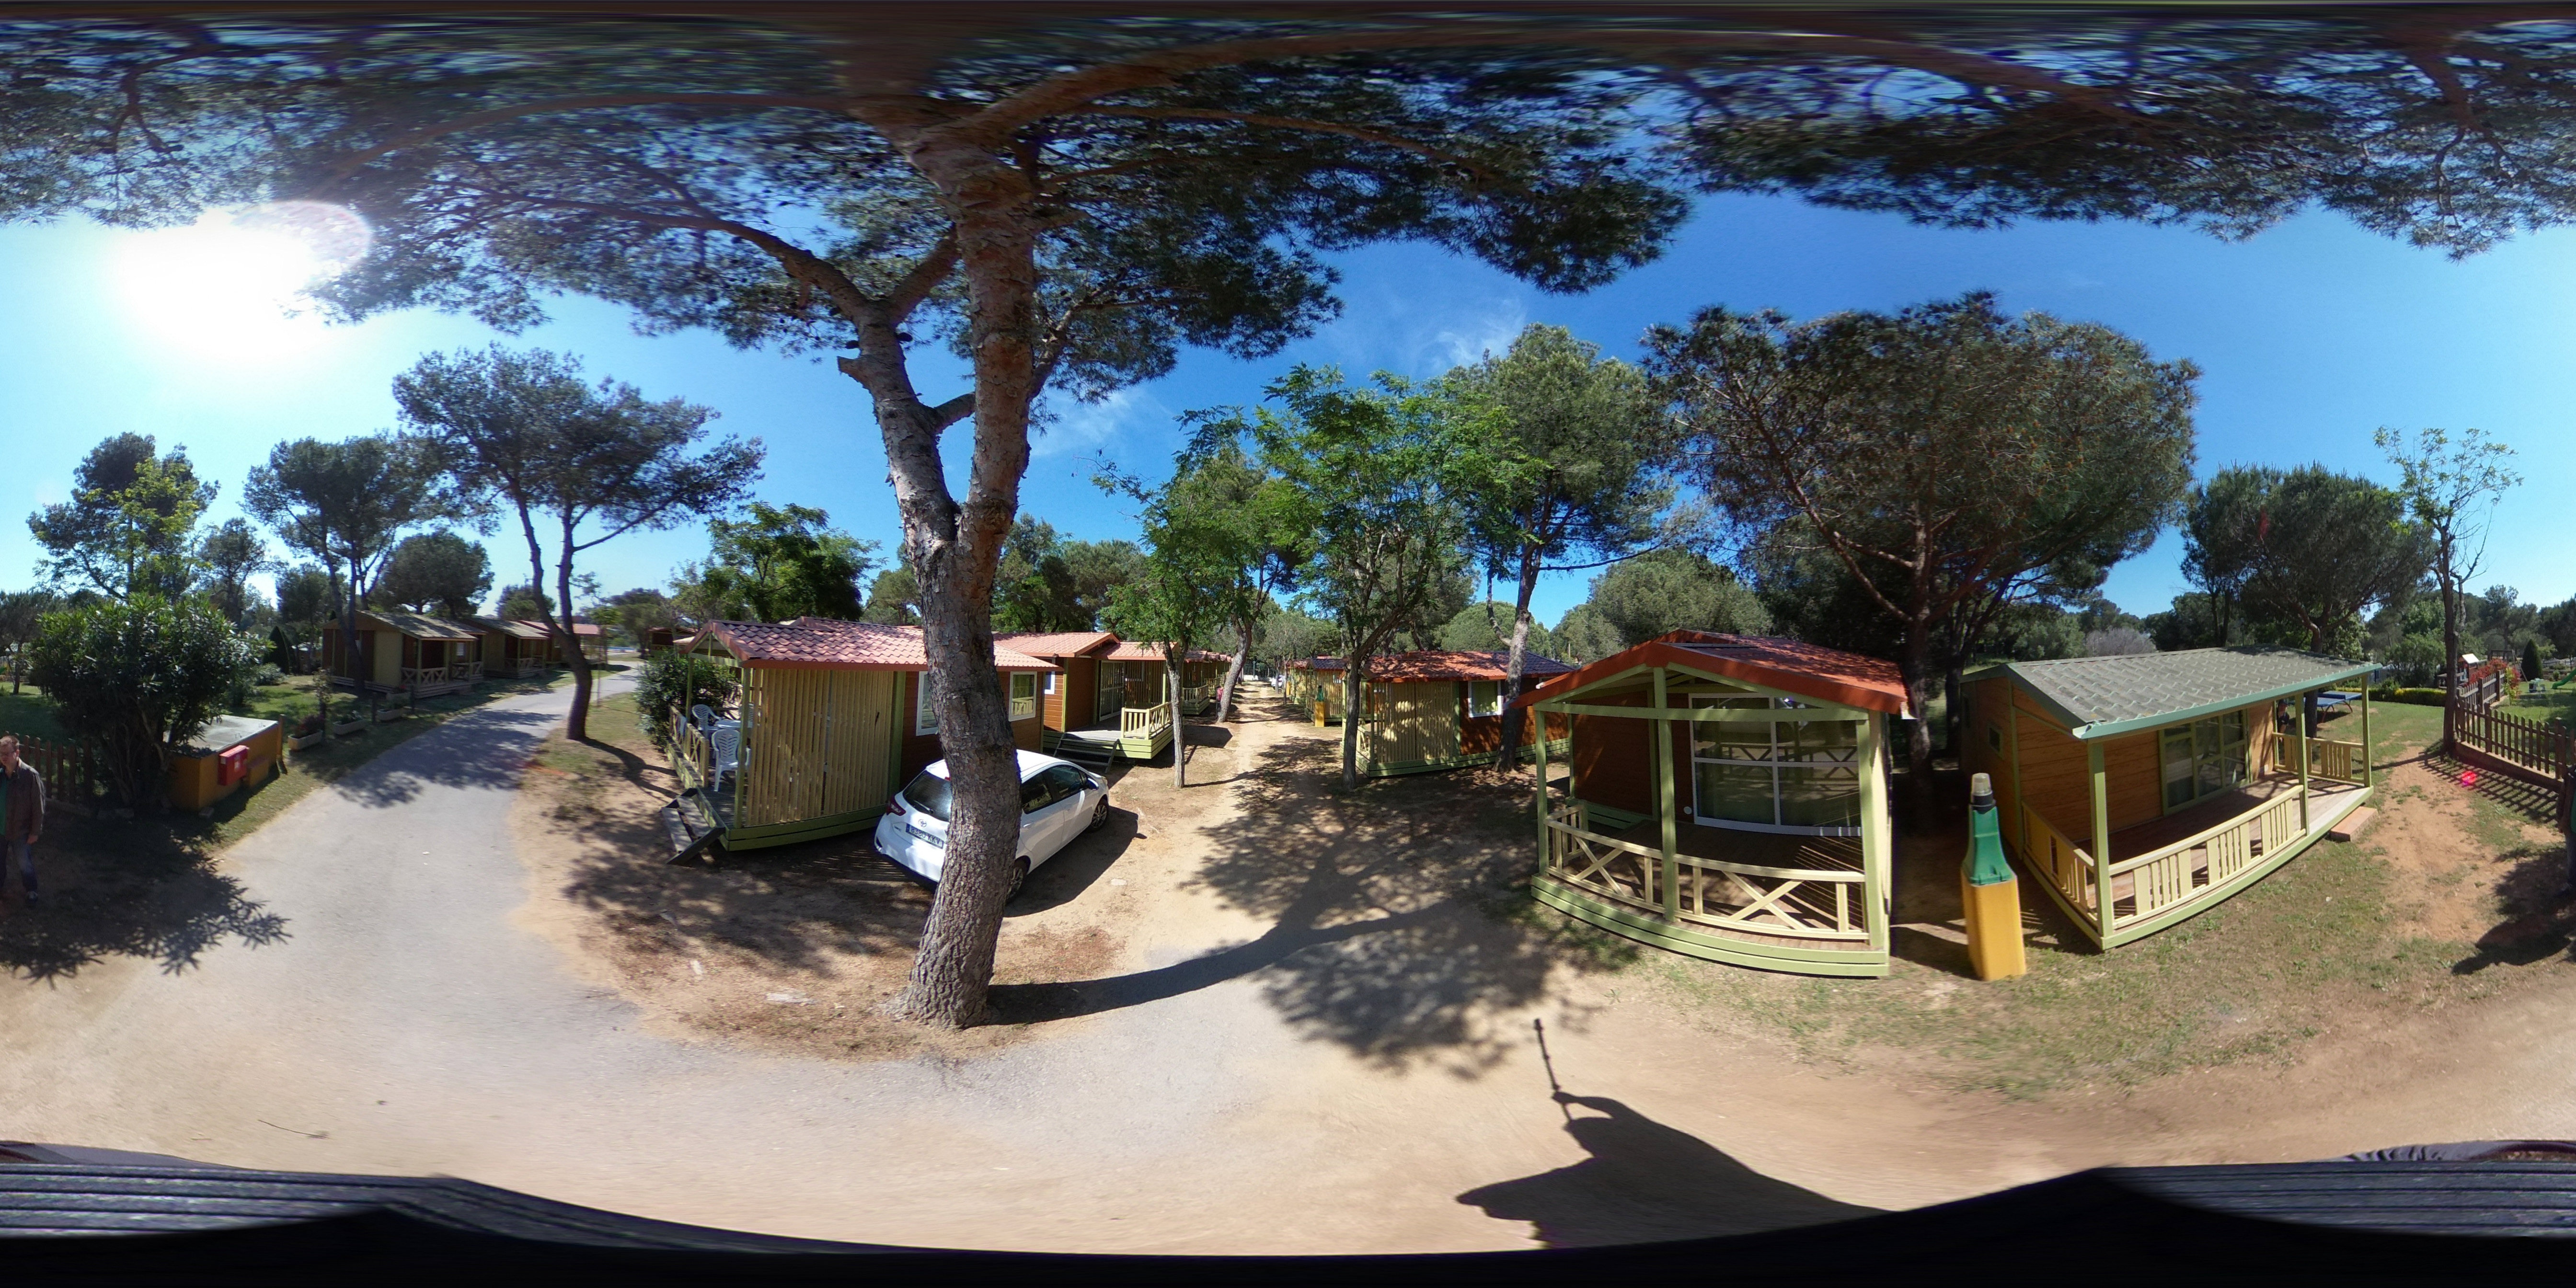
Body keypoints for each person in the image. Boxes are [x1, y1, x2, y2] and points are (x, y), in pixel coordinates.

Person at [0, 735, 42, 908]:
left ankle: (31, 890)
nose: (3, 757)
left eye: (7, 754)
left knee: (24, 863)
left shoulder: (30, 775)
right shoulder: (1, 774)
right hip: (1, 829)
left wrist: (35, 832)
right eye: (1, 754)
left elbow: (38, 806)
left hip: (20, 830)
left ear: (17, 753)